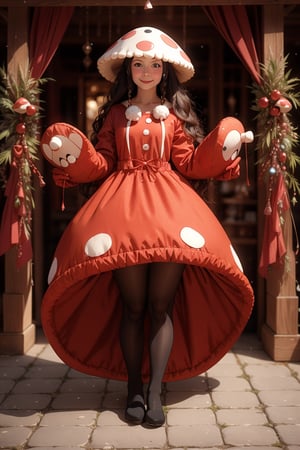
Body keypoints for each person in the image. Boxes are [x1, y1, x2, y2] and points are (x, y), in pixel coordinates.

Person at [40, 26, 254, 428]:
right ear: (129, 70)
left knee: (160, 307)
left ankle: (155, 390)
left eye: (155, 64)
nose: (146, 70)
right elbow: (102, 162)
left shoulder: (172, 117)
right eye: (139, 63)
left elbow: (189, 164)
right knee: (134, 307)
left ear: (165, 72)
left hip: (170, 213)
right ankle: (134, 388)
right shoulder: (117, 115)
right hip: (122, 214)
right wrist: (75, 157)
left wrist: (221, 147)